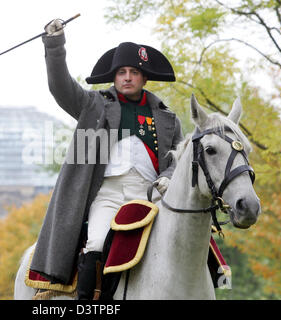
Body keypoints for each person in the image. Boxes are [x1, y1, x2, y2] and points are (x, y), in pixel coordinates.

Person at [30, 19, 183, 299]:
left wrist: (168, 178)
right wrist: (55, 45)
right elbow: (61, 88)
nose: (127, 77)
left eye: (134, 72)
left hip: (151, 196)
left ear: (144, 78)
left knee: (183, 243)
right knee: (97, 243)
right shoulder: (94, 105)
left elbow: (177, 160)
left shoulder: (168, 118)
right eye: (122, 72)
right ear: (113, 77)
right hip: (108, 194)